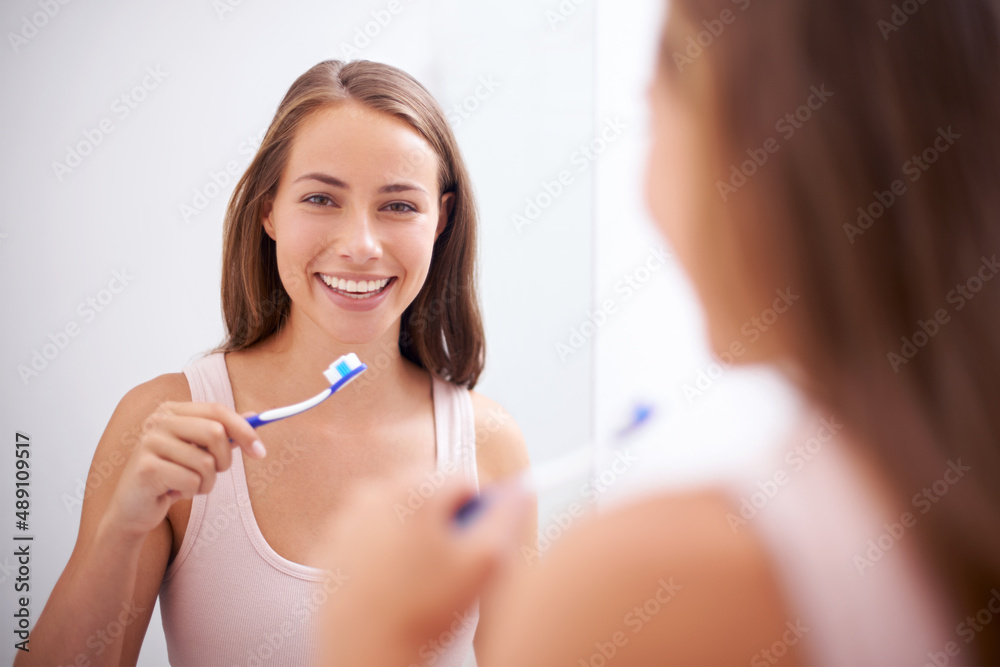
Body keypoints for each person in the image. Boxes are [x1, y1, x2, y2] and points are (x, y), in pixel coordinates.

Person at [317, 1, 1000, 665]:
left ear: (761, 145)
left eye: (654, 115)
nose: (360, 244)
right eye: (321, 197)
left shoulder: (644, 588)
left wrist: (372, 638)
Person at [18, 60, 534, 666]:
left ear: (441, 220)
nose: (361, 245)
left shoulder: (487, 443)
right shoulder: (164, 423)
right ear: (268, 210)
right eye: (320, 198)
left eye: (398, 206)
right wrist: (120, 534)